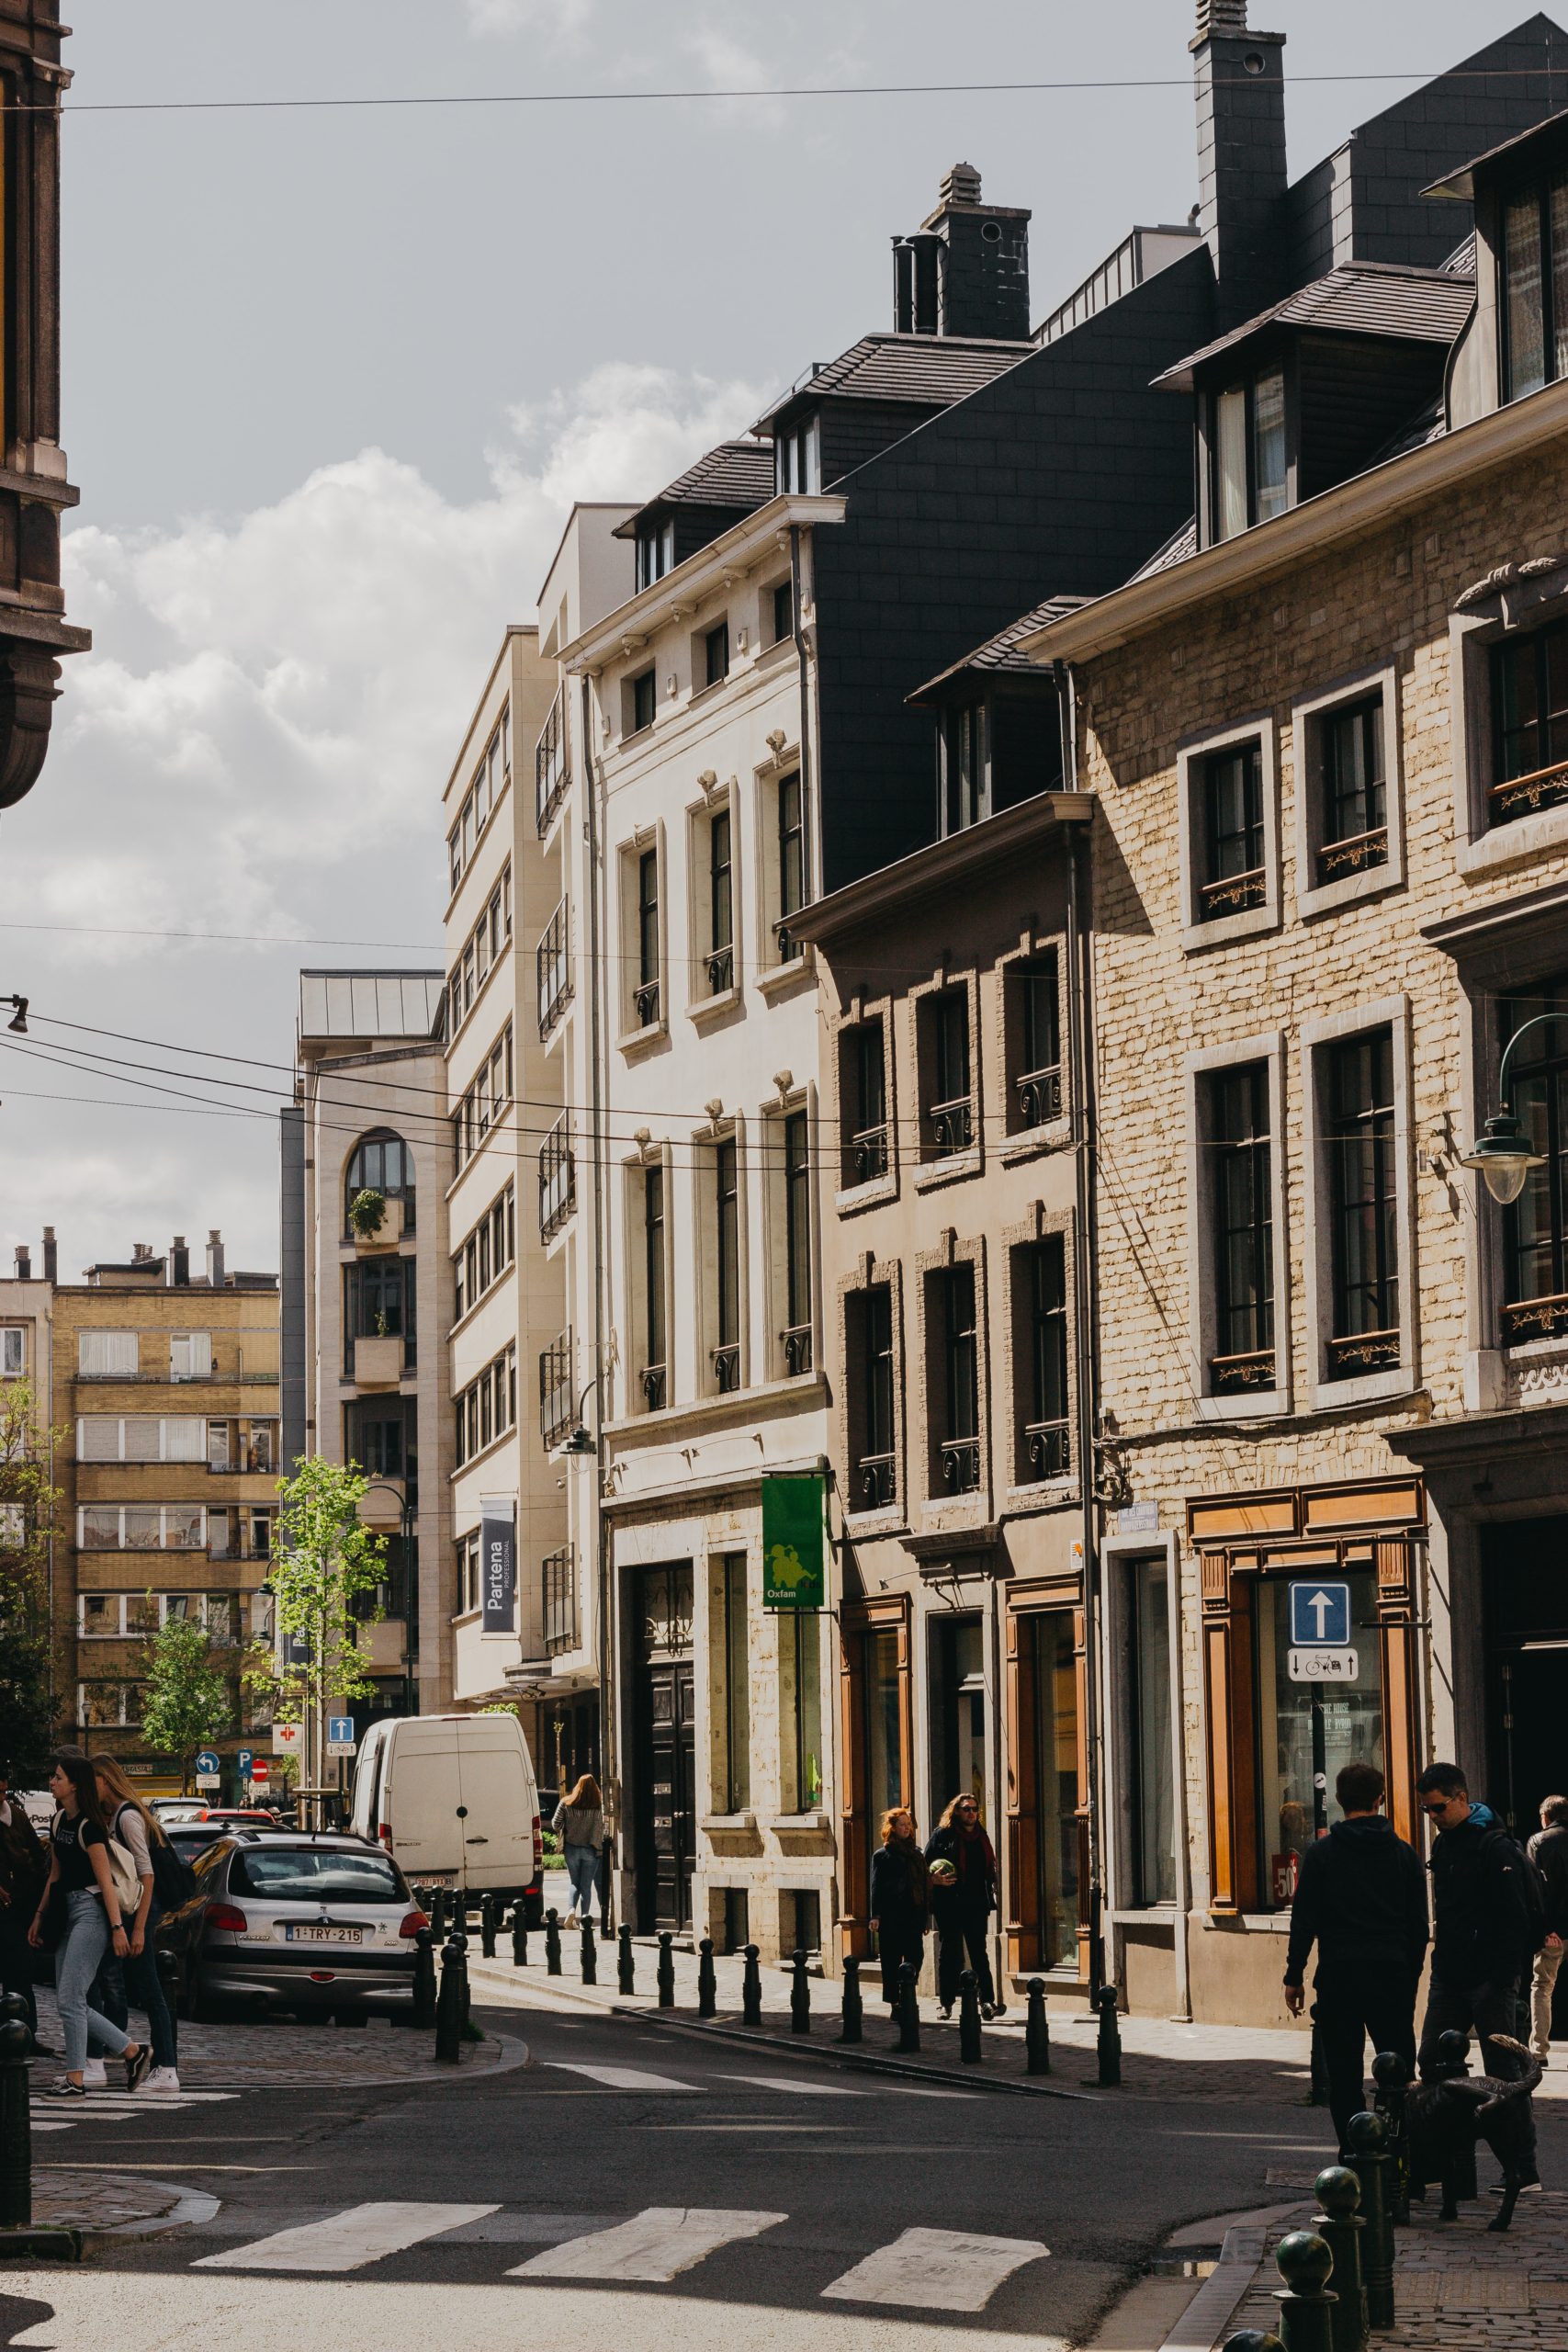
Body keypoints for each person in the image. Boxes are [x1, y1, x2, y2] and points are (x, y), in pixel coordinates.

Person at [1282, 1758, 1428, 2147]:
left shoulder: (1322, 1854)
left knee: (1344, 2077)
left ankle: (1353, 2156)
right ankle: (1399, 2156)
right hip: (1391, 1974)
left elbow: (1304, 1921)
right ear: (1381, 1799)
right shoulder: (1404, 1855)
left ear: (1338, 1800)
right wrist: (1410, 1973)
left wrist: (1294, 1975)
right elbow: (1418, 1926)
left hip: (1340, 1975)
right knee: (1397, 2071)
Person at [1416, 1759, 1539, 2184]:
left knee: (1505, 2077)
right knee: (1432, 2063)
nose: (1433, 1818)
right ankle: (1446, 2160)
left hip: (1490, 1979)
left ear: (1462, 1798)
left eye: (1439, 1808)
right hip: (1449, 1975)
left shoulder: (1497, 1847)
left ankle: (1521, 2168)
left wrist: (1503, 1980)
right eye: (1426, 1810)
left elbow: (1516, 1920)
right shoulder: (1442, 1846)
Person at [26, 1748, 151, 2098]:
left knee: (69, 1998)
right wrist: (39, 1915)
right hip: (66, 1912)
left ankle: (81, 2076)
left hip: (92, 1914)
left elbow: (106, 1884)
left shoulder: (90, 1829)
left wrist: (117, 1928)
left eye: (58, 1777)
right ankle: (131, 2053)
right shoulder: (58, 1820)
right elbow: (55, 1874)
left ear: (75, 1785)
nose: (52, 1781)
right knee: (70, 2001)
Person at [88, 1756, 181, 2092]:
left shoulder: (128, 1817)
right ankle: (121, 2058)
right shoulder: (119, 1815)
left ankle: (167, 2067)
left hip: (142, 1909)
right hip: (135, 1909)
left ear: (105, 1780)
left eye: (91, 1781)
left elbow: (147, 1873)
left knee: (151, 1988)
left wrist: (139, 1928)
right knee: (133, 1984)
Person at [925, 1792, 1003, 2021]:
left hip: (976, 1902)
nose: (971, 1813)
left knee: (979, 1952)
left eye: (974, 1809)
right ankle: (946, 2003)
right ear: (956, 1811)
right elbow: (924, 1865)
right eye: (966, 1809)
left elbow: (989, 1868)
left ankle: (987, 2001)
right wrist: (934, 1880)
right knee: (951, 1953)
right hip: (949, 1902)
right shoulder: (943, 1836)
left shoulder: (982, 1836)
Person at [0, 1759, 47, 2041]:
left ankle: (24, 2033)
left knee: (19, 1973)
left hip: (18, 1907)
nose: (1, 1797)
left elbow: (37, 1855)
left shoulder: (16, 1816)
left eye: (4, 1791)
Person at [869, 1808, 928, 2011]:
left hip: (913, 1914)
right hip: (891, 1915)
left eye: (909, 1824)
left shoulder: (916, 1854)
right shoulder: (882, 1855)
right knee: (891, 1960)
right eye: (902, 1824)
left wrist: (925, 1916)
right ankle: (896, 2002)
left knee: (916, 1956)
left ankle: (907, 1992)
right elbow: (875, 1886)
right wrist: (875, 1915)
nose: (907, 1828)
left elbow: (923, 1884)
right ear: (892, 1828)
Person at [1527, 1792, 1568, 2066]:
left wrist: (1545, 1927)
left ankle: (1539, 2052)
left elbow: (1533, 1890)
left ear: (1545, 1816)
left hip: (1554, 1930)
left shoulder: (1539, 1841)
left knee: (1542, 1986)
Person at [552, 1772, 604, 1930]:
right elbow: (603, 1827)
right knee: (586, 1886)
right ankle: (585, 1919)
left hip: (571, 1848)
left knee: (574, 1882)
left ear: (577, 1787)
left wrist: (568, 1827)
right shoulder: (598, 1807)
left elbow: (555, 1824)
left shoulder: (566, 1803)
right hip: (591, 1849)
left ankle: (571, 1911)